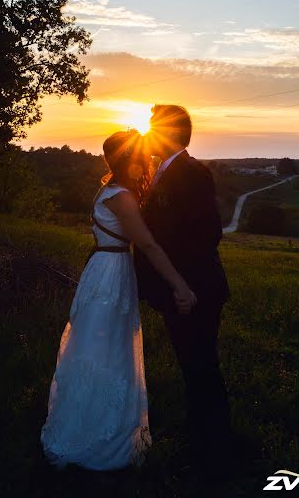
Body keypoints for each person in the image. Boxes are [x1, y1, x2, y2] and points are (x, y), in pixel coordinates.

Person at [40, 129, 195, 471]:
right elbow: (149, 245)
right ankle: (93, 435)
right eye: (141, 155)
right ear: (129, 158)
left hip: (107, 268)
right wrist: (179, 284)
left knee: (105, 345)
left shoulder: (110, 188)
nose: (147, 160)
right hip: (110, 273)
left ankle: (96, 421)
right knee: (103, 348)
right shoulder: (121, 196)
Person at [134, 104, 232, 474]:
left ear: (169, 132)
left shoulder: (192, 173)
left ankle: (215, 449)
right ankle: (202, 438)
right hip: (177, 291)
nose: (147, 134)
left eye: (152, 127)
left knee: (202, 366)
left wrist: (182, 286)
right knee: (192, 366)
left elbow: (207, 233)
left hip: (196, 291)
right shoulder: (162, 171)